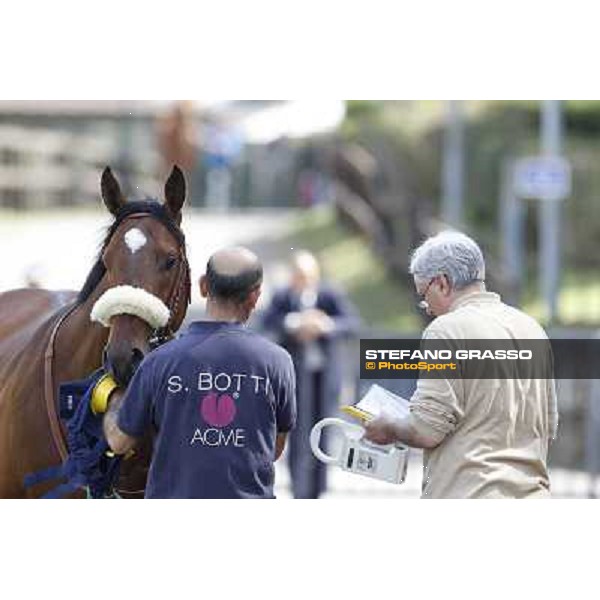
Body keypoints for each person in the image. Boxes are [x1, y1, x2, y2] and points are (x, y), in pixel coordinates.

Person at [364, 231, 559, 499]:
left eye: (424, 296)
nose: (427, 308)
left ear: (442, 283)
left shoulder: (445, 330)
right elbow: (548, 427)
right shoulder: (532, 329)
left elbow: (426, 429)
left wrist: (388, 426)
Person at [103, 247, 296, 499]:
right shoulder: (279, 362)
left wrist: (113, 401)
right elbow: (273, 448)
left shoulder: (158, 362)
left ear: (203, 286)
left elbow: (119, 442)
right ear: (255, 297)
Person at [262, 250, 360, 498]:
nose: (303, 280)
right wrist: (295, 323)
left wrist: (324, 325)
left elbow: (351, 322)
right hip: (295, 377)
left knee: (324, 430)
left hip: (324, 376)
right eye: (299, 275)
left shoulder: (329, 295)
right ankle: (299, 490)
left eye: (308, 275)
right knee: (296, 431)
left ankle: (319, 490)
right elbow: (269, 321)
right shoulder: (283, 297)